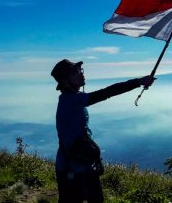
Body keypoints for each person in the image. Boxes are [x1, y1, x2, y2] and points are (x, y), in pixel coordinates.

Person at [51, 59, 155, 203]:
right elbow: (107, 92)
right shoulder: (72, 100)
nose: (81, 74)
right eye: (75, 72)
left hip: (72, 163)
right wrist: (138, 82)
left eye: (80, 70)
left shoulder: (69, 99)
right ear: (65, 80)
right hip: (74, 166)